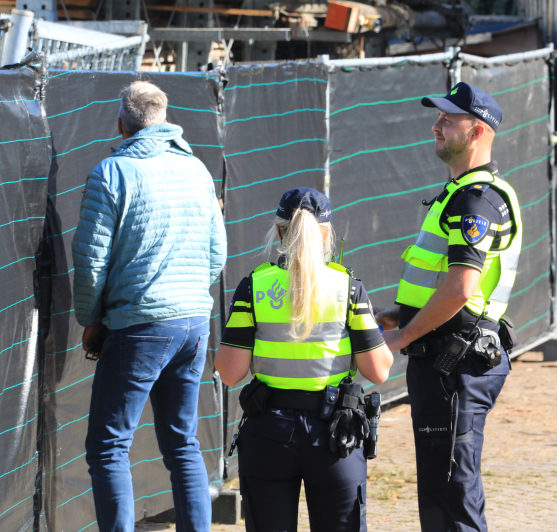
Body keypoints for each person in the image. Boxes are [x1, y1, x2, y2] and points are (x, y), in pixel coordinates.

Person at [72, 81, 227, 532]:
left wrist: (91, 319)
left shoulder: (111, 172)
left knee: (108, 446)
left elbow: (90, 260)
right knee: (183, 443)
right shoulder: (197, 169)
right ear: (165, 119)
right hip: (194, 323)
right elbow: (217, 253)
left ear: (120, 123)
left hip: (139, 326)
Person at [376, 82, 523, 532]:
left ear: (477, 131)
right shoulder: (462, 192)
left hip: (454, 362)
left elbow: (462, 290)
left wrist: (401, 336)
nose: (435, 126)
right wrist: (402, 315)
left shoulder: (475, 200)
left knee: (453, 492)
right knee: (444, 489)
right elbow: (448, 286)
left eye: (447, 120)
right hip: (447, 359)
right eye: (438, 117)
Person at [215, 187, 394, 532]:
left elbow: (230, 372)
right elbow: (379, 369)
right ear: (327, 233)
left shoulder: (252, 287)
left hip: (269, 433)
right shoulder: (348, 289)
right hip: (334, 436)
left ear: (279, 230)